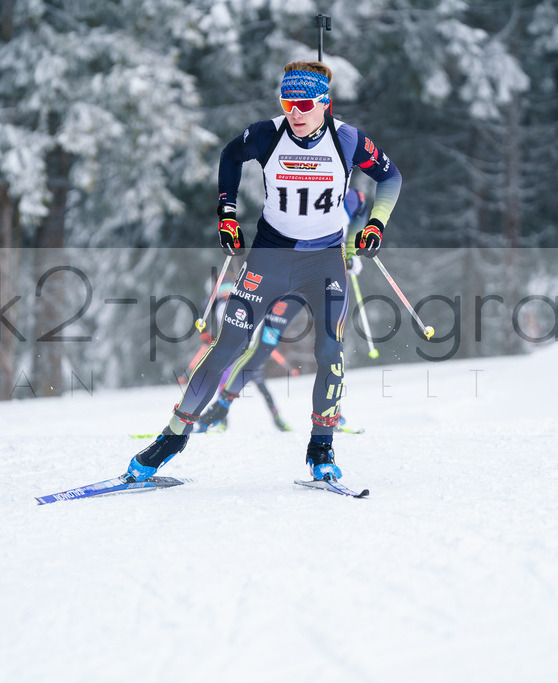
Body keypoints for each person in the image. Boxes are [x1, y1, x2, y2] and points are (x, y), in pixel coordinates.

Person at [125, 60, 401, 483]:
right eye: (287, 101)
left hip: (324, 260)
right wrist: (227, 215)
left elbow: (390, 178)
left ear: (324, 104)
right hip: (269, 257)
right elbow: (230, 156)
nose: (294, 111)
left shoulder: (347, 139)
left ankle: (321, 447)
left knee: (330, 350)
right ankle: (173, 438)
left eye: (304, 102)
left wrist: (376, 224)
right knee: (227, 346)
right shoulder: (267, 133)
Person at [194, 188, 369, 434]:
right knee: (264, 345)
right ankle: (219, 408)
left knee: (331, 344)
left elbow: (362, 210)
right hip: (292, 280)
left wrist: (351, 251)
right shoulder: (300, 185)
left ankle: (331, 413)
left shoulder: (351, 196)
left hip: (327, 279)